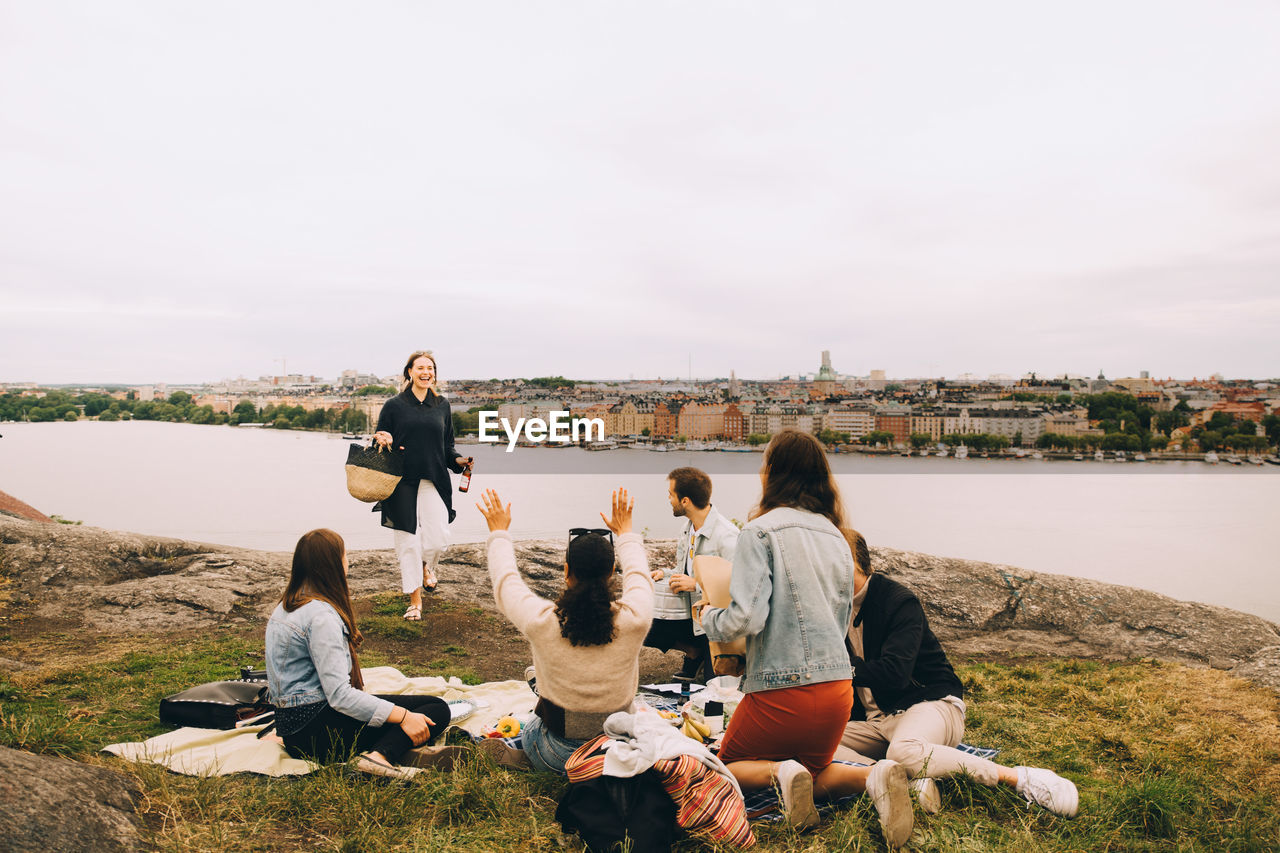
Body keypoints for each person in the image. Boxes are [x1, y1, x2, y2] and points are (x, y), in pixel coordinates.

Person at [697, 428, 913, 846]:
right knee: (815, 772)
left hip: (781, 691)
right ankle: (874, 778)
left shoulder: (759, 532)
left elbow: (745, 620)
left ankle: (779, 773)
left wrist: (709, 617)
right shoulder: (837, 537)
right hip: (837, 691)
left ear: (773, 473)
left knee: (722, 769)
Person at [838, 528, 1079, 818]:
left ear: (856, 562)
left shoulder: (897, 600)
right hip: (877, 723)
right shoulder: (830, 611)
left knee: (904, 751)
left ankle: (1020, 778)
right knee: (803, 745)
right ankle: (898, 780)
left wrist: (837, 669)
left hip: (931, 706)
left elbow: (895, 673)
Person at [477, 487, 653, 774]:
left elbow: (505, 582)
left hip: (557, 755)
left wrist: (498, 532)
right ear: (611, 572)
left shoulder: (542, 622)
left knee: (534, 718)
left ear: (566, 570)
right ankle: (544, 684)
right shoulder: (635, 620)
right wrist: (626, 534)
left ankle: (528, 751)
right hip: (616, 751)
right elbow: (639, 576)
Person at [265, 528, 452, 779]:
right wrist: (404, 716)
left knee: (411, 711)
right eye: (344, 555)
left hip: (291, 730)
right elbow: (340, 696)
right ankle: (379, 757)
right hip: (317, 735)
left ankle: (392, 748)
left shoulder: (286, 606)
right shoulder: (320, 617)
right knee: (436, 709)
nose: (348, 561)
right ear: (333, 564)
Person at [372, 350, 472, 621]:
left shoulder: (442, 405)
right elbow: (380, 438)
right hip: (401, 481)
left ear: (434, 374)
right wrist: (381, 438)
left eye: (430, 368)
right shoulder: (394, 405)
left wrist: (459, 460)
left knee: (438, 539)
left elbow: (447, 445)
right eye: (420, 368)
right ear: (409, 373)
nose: (426, 372)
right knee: (408, 543)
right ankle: (415, 601)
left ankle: (427, 566)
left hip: (434, 479)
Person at [644, 467, 739, 684]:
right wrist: (665, 574)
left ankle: (703, 655)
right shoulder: (688, 528)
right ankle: (694, 652)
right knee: (641, 623)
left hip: (716, 626)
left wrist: (696, 585)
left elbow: (740, 585)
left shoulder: (727, 535)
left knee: (713, 688)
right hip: (692, 616)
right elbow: (683, 572)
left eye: (671, 494)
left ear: (685, 500)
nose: (669, 499)